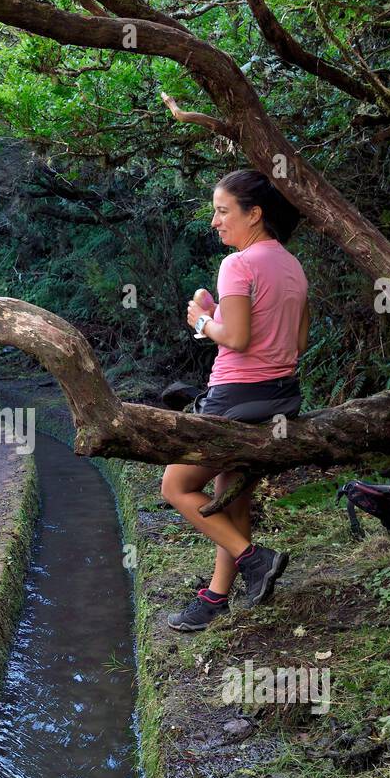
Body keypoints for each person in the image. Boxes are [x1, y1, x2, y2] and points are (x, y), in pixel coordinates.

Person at [162, 169, 310, 632]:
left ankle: (254, 559)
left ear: (255, 213)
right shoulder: (292, 265)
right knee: (231, 496)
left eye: (223, 211)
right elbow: (297, 342)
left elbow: (240, 339)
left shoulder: (238, 264)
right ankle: (214, 597)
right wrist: (218, 312)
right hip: (282, 398)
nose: (214, 222)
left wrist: (204, 321)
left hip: (235, 399)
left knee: (175, 486)